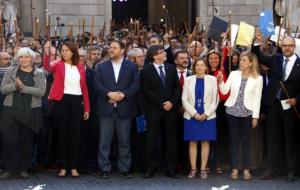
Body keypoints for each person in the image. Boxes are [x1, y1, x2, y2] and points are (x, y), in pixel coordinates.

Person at [253, 32, 300, 182]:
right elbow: (258, 56)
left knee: (289, 139)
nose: (287, 48)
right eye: (284, 45)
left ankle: (290, 171)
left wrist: (297, 100)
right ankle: (270, 169)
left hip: (290, 107)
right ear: (281, 46)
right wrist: (256, 42)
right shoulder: (275, 59)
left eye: (290, 45)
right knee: (272, 139)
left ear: (294, 46)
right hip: (273, 104)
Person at [43, 41, 90, 178]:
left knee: (75, 136)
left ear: (73, 52)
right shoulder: (58, 64)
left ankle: (74, 167)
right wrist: (46, 54)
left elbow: (85, 89)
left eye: (67, 50)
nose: (64, 52)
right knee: (62, 135)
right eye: (62, 50)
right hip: (61, 102)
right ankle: (63, 166)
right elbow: (47, 66)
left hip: (77, 102)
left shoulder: (80, 68)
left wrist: (87, 107)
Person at [94, 40, 140, 179]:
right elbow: (97, 84)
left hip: (124, 108)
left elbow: (136, 84)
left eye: (114, 48)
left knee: (124, 141)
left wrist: (123, 95)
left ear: (122, 51)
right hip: (106, 108)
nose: (111, 50)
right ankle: (104, 168)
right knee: (104, 140)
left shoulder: (131, 66)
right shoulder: (102, 67)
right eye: (110, 47)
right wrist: (109, 94)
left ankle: (124, 168)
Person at [0, 47, 46, 179]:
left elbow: (41, 92)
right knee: (9, 141)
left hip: (30, 111)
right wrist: (15, 85)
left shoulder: (39, 73)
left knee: (26, 141)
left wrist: (23, 88)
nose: (23, 60)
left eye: (26, 57)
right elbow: (3, 89)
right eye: (21, 57)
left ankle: (23, 169)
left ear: (32, 59)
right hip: (11, 111)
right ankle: (9, 169)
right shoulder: (11, 71)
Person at [217, 51, 263, 180]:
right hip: (232, 111)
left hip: (248, 112)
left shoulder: (258, 78)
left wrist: (255, 116)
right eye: (241, 60)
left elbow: (257, 98)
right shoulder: (233, 74)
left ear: (251, 63)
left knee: (246, 141)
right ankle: (235, 169)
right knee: (234, 140)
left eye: (244, 60)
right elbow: (225, 90)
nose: (241, 62)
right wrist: (221, 81)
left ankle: (246, 170)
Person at [142, 45, 181, 178]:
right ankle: (150, 168)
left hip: (171, 109)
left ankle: (171, 169)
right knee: (151, 139)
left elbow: (177, 88)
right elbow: (147, 91)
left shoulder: (171, 68)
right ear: (154, 56)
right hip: (154, 110)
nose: (165, 53)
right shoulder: (146, 70)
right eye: (162, 52)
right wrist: (161, 103)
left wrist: (171, 102)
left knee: (171, 140)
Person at [182, 59, 218, 179]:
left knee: (205, 141)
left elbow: (215, 100)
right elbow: (184, 99)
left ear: (206, 67)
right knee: (192, 141)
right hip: (191, 115)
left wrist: (206, 114)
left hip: (208, 116)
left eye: (202, 65)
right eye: (197, 65)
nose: (199, 67)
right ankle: (193, 169)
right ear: (194, 67)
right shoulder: (188, 80)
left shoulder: (212, 80)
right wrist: (194, 113)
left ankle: (203, 169)